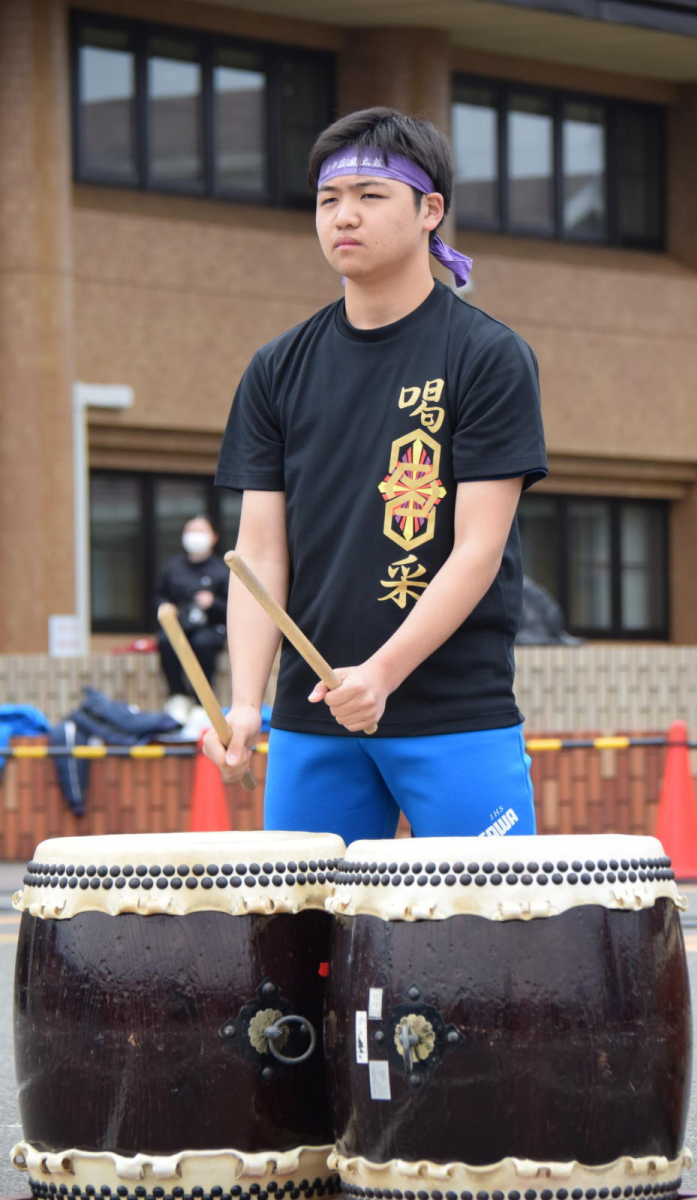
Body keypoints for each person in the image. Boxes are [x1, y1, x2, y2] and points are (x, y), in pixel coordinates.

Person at [206, 106, 548, 843]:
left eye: (370, 195)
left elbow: (478, 549)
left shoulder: (486, 356)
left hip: (454, 714)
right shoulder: (276, 368)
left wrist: (382, 674)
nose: (344, 217)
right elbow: (259, 554)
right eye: (329, 200)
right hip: (313, 719)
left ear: (431, 211)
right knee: (302, 951)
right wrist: (242, 704)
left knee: (485, 942)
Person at [156, 515, 228, 723]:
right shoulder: (173, 567)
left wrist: (212, 602)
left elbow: (233, 608)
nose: (194, 536)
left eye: (200, 531)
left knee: (203, 644)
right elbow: (159, 595)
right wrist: (165, 606)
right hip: (180, 625)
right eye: (191, 531)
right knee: (166, 641)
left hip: (212, 626)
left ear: (213, 537)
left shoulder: (221, 570)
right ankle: (177, 696)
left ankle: (201, 701)